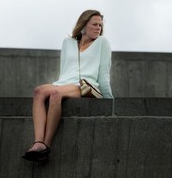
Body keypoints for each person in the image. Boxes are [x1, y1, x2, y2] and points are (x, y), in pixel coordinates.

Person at [22, 9, 113, 162]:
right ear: (83, 26)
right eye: (94, 24)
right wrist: (58, 86)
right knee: (39, 91)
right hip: (64, 83)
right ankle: (38, 141)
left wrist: (110, 100)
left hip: (86, 85)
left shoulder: (102, 43)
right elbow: (64, 71)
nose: (99, 28)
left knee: (56, 94)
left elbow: (104, 75)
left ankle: (46, 145)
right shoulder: (67, 43)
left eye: (100, 25)